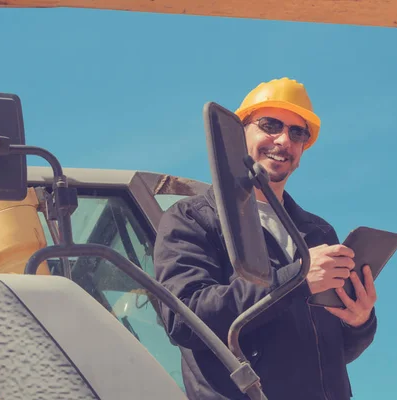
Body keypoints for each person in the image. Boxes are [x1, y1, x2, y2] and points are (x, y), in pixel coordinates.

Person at [153, 77, 378, 400]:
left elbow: (329, 352)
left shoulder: (318, 233)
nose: (283, 140)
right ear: (240, 134)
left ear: (303, 149)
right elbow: (186, 318)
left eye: (297, 133)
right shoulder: (193, 218)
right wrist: (296, 281)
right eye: (270, 125)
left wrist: (359, 322)